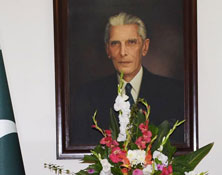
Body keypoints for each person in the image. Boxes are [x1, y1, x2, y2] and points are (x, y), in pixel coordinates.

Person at [70, 11, 184, 145]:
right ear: (108, 50)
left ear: (145, 47)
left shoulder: (174, 93)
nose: (123, 52)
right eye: (115, 44)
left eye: (131, 42)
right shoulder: (87, 95)